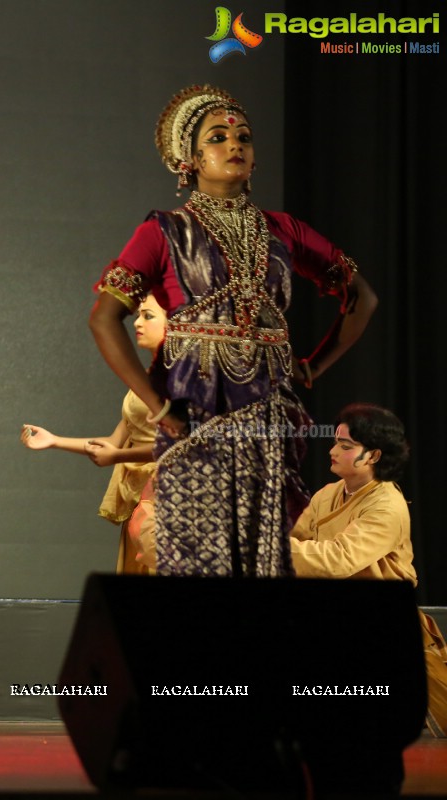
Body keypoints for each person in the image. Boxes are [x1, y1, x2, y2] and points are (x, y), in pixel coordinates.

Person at [89, 84, 378, 577]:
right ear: (191, 158)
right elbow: (103, 318)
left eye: (243, 136)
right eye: (218, 137)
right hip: (197, 408)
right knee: (197, 554)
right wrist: (158, 406)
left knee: (261, 554)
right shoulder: (162, 231)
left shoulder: (283, 230)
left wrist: (313, 365)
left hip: (266, 410)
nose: (235, 145)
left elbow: (362, 298)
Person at [288, 403, 447, 735]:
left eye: (346, 447)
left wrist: (268, 550)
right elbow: (294, 537)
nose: (332, 451)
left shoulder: (386, 505)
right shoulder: (326, 495)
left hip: (382, 627)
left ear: (373, 456)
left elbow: (337, 560)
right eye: (335, 443)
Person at [22, 295, 166, 574]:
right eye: (138, 315)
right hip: (140, 499)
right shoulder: (146, 379)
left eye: (148, 316)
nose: (137, 322)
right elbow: (114, 442)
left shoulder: (182, 381)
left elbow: (179, 443)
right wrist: (54, 440)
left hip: (167, 494)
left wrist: (119, 456)